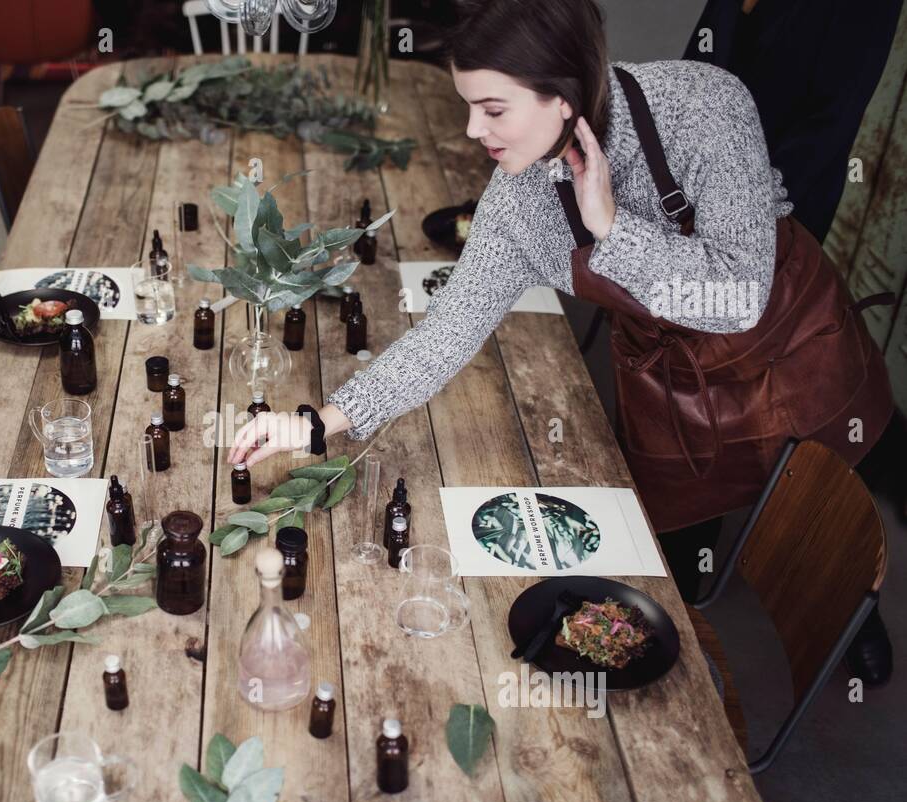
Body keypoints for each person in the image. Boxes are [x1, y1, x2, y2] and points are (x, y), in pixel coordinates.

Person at [229, 0, 893, 660]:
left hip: (788, 350)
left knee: (823, 523)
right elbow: (446, 335)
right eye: (468, 106)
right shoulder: (517, 199)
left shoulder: (704, 106)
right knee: (673, 577)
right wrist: (319, 422)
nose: (471, 130)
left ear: (564, 96)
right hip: (672, 385)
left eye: (492, 109)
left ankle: (841, 623)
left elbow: (739, 297)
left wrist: (611, 227)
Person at [682, 0, 903, 684]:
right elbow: (700, 67)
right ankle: (685, 551)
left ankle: (838, 594)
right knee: (694, 386)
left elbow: (828, 128)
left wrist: (734, 219)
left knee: (796, 403)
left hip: (778, 209)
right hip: (692, 203)